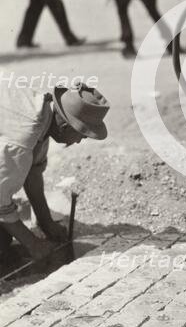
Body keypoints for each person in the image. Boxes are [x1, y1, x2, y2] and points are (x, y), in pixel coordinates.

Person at [0, 82, 110, 258]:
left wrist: (46, 222)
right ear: (65, 127)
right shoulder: (23, 138)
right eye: (81, 135)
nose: (79, 141)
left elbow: (33, 174)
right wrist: (33, 244)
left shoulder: (44, 116)